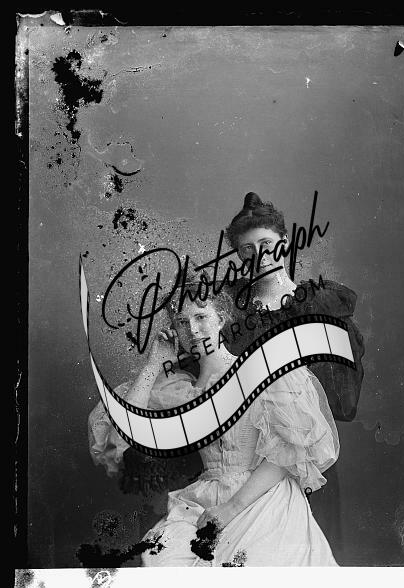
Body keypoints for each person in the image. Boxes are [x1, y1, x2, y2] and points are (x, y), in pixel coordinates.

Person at [88, 280, 340, 566]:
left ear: (221, 318)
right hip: (203, 501)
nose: (193, 330)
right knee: (160, 562)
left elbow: (289, 452)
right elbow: (125, 429)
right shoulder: (182, 391)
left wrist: (230, 509)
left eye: (200, 317)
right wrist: (154, 363)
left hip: (262, 498)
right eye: (182, 322)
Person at [222, 192, 365, 557]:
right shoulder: (232, 311)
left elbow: (341, 401)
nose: (259, 255)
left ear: (284, 243)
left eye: (266, 243)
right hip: (242, 456)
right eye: (247, 250)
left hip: (302, 452)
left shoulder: (319, 305)